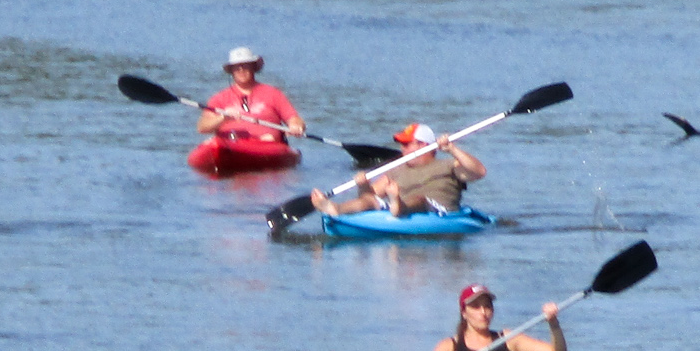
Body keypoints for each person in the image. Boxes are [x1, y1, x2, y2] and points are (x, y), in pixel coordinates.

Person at [309, 122, 485, 218]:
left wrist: (452, 149)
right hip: (399, 206)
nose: (402, 149)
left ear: (423, 145)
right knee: (371, 201)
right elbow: (370, 196)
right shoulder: (396, 169)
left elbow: (478, 172)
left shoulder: (448, 165)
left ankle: (398, 206)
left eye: (407, 144)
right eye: (402, 145)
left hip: (438, 210)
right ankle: (336, 209)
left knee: (420, 199)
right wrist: (363, 185)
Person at [425, 283, 565, 351]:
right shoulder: (450, 345)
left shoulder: (508, 339)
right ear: (464, 313)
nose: (483, 312)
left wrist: (553, 323)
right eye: (476, 307)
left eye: (487, 306)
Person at [196, 46, 305, 148]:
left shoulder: (273, 94)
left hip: (267, 144)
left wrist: (296, 126)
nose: (241, 70)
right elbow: (202, 127)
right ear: (231, 71)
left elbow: (294, 118)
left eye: (245, 66)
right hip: (230, 144)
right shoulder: (218, 98)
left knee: (268, 139)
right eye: (237, 67)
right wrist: (223, 118)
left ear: (253, 67)